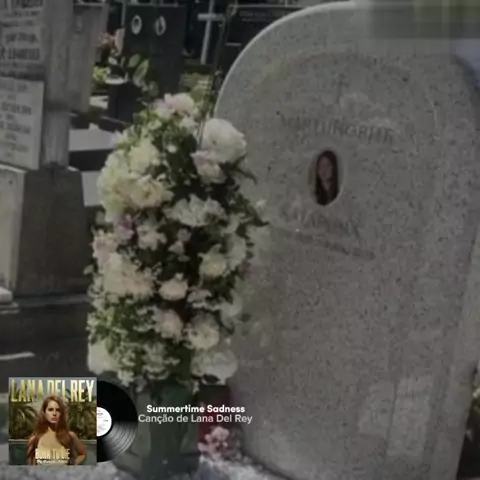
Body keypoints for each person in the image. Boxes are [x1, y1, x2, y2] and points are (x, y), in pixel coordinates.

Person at [26, 395, 87, 465]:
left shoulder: (69, 436)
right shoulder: (35, 439)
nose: (54, 413)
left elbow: (83, 454)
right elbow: (31, 465)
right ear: (44, 413)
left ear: (61, 413)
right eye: (50, 410)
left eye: (58, 410)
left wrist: (73, 465)